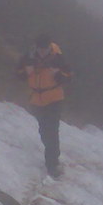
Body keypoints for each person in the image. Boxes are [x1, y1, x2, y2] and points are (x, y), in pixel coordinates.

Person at [16, 33, 72, 177]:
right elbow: (18, 74)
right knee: (44, 131)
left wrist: (58, 75)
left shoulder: (58, 58)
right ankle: (53, 153)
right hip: (36, 99)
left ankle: (52, 164)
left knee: (51, 130)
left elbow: (69, 76)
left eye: (45, 49)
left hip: (54, 98)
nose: (42, 52)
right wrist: (25, 72)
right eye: (40, 49)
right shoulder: (29, 57)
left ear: (49, 47)